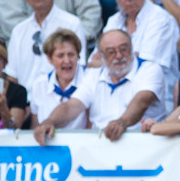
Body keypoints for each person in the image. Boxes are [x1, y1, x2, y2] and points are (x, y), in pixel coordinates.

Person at [33, 29, 165, 143]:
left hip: (143, 147)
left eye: (123, 49)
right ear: (101, 56)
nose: (118, 55)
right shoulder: (94, 75)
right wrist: (50, 122)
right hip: (100, 149)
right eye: (111, 52)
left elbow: (141, 101)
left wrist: (122, 122)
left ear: (132, 48)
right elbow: (72, 106)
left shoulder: (149, 69)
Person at [100, 0, 180, 106]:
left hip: (153, 104)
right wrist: (133, 57)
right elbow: (92, 63)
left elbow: (146, 69)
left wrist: (109, 60)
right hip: (114, 100)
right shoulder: (113, 21)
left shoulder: (161, 20)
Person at [5, 0, 86, 90]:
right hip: (24, 102)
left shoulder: (72, 24)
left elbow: (79, 67)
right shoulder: (18, 31)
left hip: (61, 98)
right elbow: (12, 76)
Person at [27, 28, 85, 128]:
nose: (66, 61)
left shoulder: (88, 81)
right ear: (49, 59)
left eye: (71, 55)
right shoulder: (40, 84)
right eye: (60, 56)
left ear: (78, 56)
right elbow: (35, 126)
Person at [0, 0, 100, 43]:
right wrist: (48, 45)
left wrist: (70, 42)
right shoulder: (19, 31)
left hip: (70, 45)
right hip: (29, 47)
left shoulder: (74, 24)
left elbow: (91, 16)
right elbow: (12, 23)